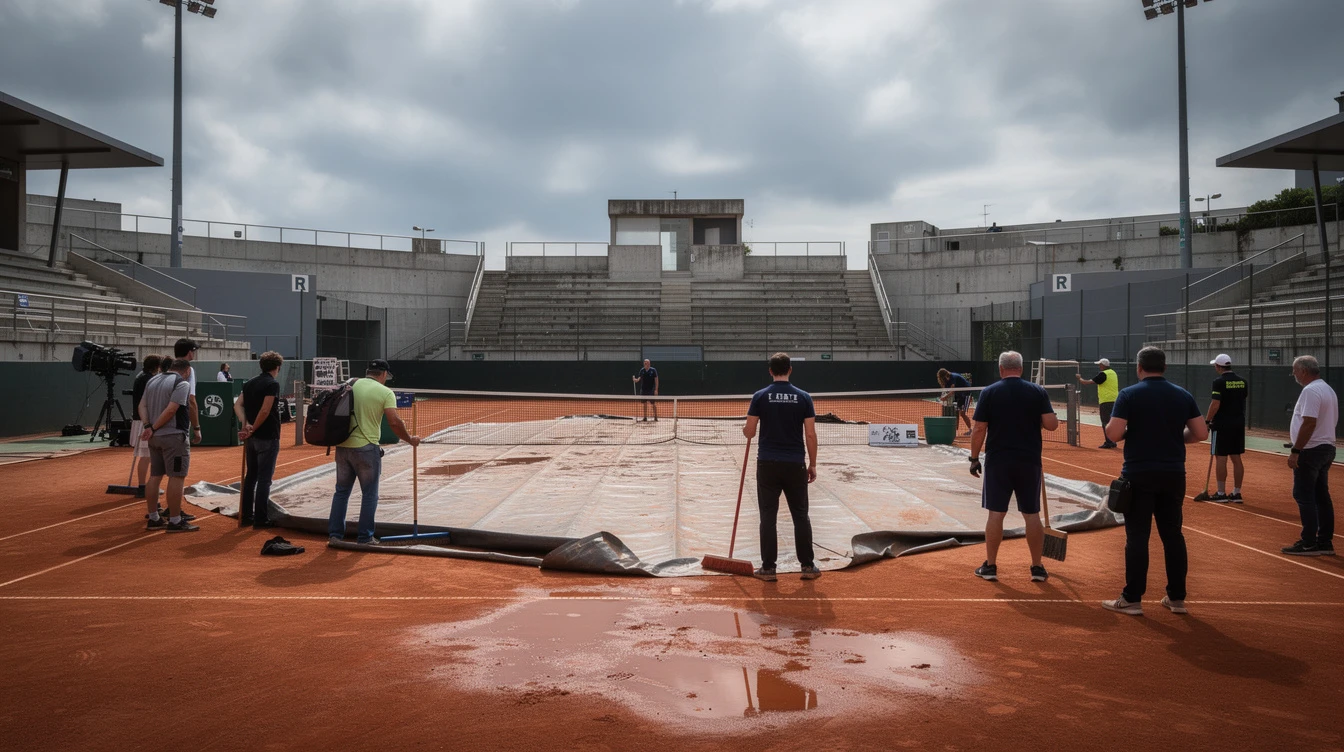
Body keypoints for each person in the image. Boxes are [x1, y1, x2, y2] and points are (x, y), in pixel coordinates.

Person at [1101, 346, 1206, 616]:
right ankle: (1177, 598)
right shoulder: (1182, 394)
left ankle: (1132, 598)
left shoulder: (1129, 394)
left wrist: (1131, 431)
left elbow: (1113, 433)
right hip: (1173, 474)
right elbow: (1201, 433)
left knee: (1138, 537)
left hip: (1139, 473)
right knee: (1173, 535)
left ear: (1139, 367)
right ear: (1165, 367)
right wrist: (1174, 437)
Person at [968, 351, 1060, 583]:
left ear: (1001, 369)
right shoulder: (1037, 391)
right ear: (1021, 368)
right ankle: (1037, 567)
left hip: (998, 461)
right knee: (1031, 514)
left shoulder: (989, 392)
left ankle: (990, 566)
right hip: (1029, 460)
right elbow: (1052, 425)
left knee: (996, 513)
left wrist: (974, 458)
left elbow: (979, 428)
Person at [743, 352, 820, 582]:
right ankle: (807, 566)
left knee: (768, 517)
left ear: (770, 371)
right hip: (795, 464)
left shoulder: (759, 396)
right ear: (790, 370)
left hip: (767, 464)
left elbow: (750, 431)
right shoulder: (804, 397)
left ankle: (768, 569)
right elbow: (810, 434)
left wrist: (746, 430)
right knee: (801, 515)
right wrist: (812, 464)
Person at [328, 360, 420, 545]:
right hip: (366, 449)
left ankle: (335, 536)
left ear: (367, 371)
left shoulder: (350, 384)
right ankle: (365, 537)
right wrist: (410, 439)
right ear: (384, 374)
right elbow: (394, 422)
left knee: (341, 492)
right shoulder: (385, 392)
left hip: (343, 446)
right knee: (369, 494)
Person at [1282, 355, 1337, 556]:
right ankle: (1324, 541)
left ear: (1304, 371)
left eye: (1295, 370)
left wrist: (1296, 450)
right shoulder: (1327, 389)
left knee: (1304, 495)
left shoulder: (1310, 391)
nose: (1294, 374)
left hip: (1311, 450)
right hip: (1326, 447)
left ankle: (1308, 542)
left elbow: (1309, 422)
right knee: (1321, 496)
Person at [138, 359, 200, 533]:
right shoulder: (182, 383)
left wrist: (148, 426)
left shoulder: (153, 380)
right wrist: (154, 427)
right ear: (187, 371)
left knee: (155, 476)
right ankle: (175, 520)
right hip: (173, 437)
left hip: (154, 438)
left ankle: (154, 518)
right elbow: (172, 409)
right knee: (177, 476)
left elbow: (142, 405)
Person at [235, 351, 283, 529]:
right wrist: (253, 427)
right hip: (267, 436)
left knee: (251, 476)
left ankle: (247, 515)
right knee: (264, 479)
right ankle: (261, 519)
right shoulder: (272, 384)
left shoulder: (249, 383)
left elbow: (237, 405)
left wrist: (246, 425)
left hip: (252, 438)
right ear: (277, 367)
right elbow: (265, 410)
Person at [1205, 354, 1248, 502]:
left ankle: (1221, 493)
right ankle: (1237, 493)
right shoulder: (1243, 382)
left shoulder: (1218, 382)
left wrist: (1207, 421)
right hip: (1238, 423)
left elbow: (1215, 404)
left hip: (1221, 424)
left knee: (1221, 457)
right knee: (1236, 458)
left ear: (1218, 366)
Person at [130, 354, 162, 497]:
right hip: (144, 421)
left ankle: (146, 486)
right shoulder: (148, 379)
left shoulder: (143, 376)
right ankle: (143, 487)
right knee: (146, 456)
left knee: (148, 456)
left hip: (142, 420)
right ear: (156, 366)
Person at [1078, 358, 1119, 449]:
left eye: (1100, 364)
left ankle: (1109, 442)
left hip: (1106, 401)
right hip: (1115, 400)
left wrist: (1079, 378)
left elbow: (1087, 382)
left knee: (1105, 422)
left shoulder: (1103, 374)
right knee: (1111, 421)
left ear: (1103, 365)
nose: (1099, 366)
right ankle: (1113, 441)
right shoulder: (1113, 373)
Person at [173, 338, 202, 447]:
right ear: (190, 353)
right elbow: (191, 400)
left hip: (160, 423)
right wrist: (196, 428)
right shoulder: (188, 370)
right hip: (179, 423)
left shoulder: (165, 366)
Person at [936, 368, 973, 436]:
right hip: (959, 395)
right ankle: (954, 431)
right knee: (956, 413)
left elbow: (952, 391)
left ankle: (971, 430)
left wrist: (945, 397)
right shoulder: (947, 380)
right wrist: (943, 396)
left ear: (944, 376)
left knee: (962, 413)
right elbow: (946, 390)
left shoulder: (953, 377)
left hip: (966, 394)